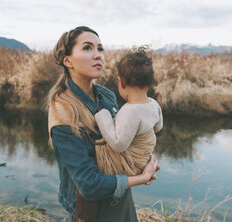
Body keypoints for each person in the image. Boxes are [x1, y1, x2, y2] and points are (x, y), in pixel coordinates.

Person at [47, 26, 158, 222]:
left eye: (100, 49)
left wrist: (143, 161)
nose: (98, 55)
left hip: (120, 194)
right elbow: (88, 185)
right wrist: (141, 178)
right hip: (90, 209)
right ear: (67, 60)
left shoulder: (106, 95)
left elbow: (122, 142)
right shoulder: (63, 111)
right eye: (88, 48)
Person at [94, 48, 163, 176]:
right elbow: (158, 127)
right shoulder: (154, 104)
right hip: (143, 162)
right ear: (151, 84)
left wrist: (103, 116)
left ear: (121, 82)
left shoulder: (130, 111)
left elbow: (118, 144)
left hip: (128, 166)